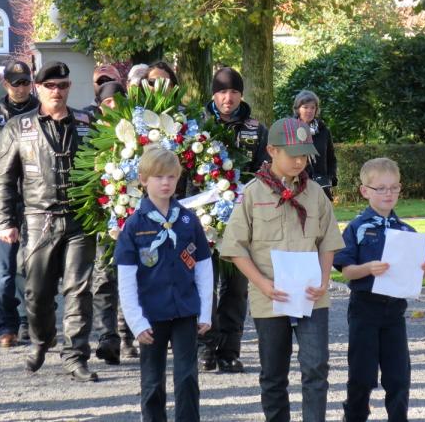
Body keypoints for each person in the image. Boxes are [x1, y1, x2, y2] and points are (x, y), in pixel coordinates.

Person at [220, 117, 345, 422]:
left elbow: (328, 240)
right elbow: (235, 247)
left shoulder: (315, 193)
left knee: (316, 367)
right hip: (270, 297)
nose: (300, 161)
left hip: (311, 296)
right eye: (293, 155)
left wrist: (325, 279)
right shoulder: (252, 194)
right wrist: (261, 283)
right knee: (273, 373)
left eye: (304, 155)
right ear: (272, 150)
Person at [0, 61, 98, 382]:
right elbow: (4, 180)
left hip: (80, 219)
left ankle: (75, 355)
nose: (57, 91)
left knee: (78, 289)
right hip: (39, 220)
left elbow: (105, 169)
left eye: (63, 86)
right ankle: (41, 339)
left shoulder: (86, 122)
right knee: (37, 293)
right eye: (50, 86)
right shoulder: (18, 127)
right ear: (38, 88)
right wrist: (5, 220)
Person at [333, 157, 425, 422]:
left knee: (398, 375)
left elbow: (412, 276)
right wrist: (367, 268)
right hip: (365, 307)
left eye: (394, 187)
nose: (388, 193)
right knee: (362, 375)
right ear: (365, 191)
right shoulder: (357, 228)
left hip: (394, 311)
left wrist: (424, 270)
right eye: (380, 188)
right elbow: (346, 270)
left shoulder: (407, 231)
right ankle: (354, 416)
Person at [115, 147, 213, 422]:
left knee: (187, 378)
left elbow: (204, 267)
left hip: (185, 311)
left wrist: (205, 311)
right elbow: (126, 278)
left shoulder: (187, 220)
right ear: (144, 180)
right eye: (159, 177)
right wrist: (135, 320)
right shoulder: (134, 226)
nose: (166, 183)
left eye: (171, 176)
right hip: (151, 315)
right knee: (152, 381)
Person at [198, 67, 269, 374]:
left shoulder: (256, 128)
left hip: (243, 216)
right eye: (223, 92)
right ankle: (205, 347)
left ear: (241, 95)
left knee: (237, 287)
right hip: (203, 217)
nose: (228, 98)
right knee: (205, 284)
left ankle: (230, 349)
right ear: (214, 94)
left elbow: (264, 171)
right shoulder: (197, 125)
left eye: (234, 92)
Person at [0, 60, 38, 347]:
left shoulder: (41, 114)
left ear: (31, 82)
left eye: (24, 82)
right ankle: (8, 325)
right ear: (5, 85)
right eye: (15, 83)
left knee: (32, 266)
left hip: (34, 198)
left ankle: (32, 321)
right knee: (1, 270)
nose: (20, 87)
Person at [88, 80, 137, 365]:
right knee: (104, 277)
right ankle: (108, 337)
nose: (115, 106)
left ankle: (128, 333)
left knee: (133, 277)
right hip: (105, 217)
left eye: (119, 100)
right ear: (100, 107)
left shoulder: (138, 132)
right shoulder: (92, 135)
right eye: (108, 102)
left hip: (134, 215)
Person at [292, 90, 337, 201]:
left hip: (320, 186)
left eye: (313, 107)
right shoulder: (289, 130)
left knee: (321, 217)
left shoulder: (324, 131)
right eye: (305, 107)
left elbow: (331, 158)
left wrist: (330, 178)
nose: (309, 111)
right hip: (296, 184)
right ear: (298, 109)